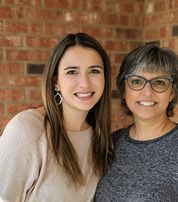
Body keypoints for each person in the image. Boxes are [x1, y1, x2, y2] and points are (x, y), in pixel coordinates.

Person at [0, 32, 114, 202]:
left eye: (94, 71)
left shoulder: (98, 137)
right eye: (72, 72)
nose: (85, 83)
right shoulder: (28, 129)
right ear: (55, 82)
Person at [95, 45, 178, 201]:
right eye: (136, 81)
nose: (147, 92)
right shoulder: (110, 144)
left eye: (159, 82)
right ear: (124, 90)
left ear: (172, 93)